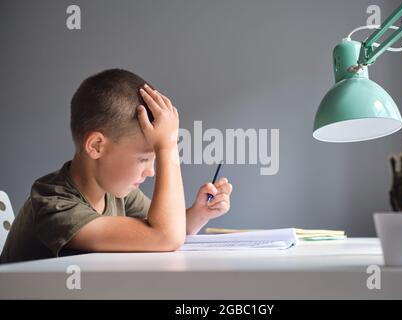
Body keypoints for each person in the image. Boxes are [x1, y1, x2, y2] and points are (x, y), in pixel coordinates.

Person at [0, 69, 232, 263]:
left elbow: (170, 229)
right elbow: (165, 237)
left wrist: (199, 214)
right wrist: (167, 147)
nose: (151, 171)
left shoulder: (117, 194)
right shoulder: (54, 204)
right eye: (144, 159)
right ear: (97, 146)